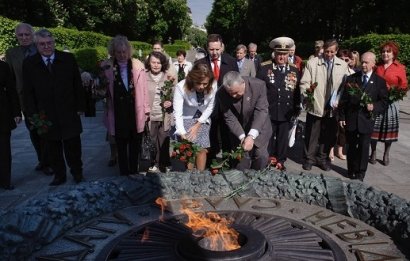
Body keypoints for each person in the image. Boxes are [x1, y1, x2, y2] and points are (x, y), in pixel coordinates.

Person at [23, 29, 86, 186]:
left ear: (54, 42)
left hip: (68, 110)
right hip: (45, 114)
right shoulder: (30, 63)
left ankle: (77, 173)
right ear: (36, 45)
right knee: (52, 147)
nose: (46, 47)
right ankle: (59, 175)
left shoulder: (68, 58)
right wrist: (32, 114)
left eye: (49, 43)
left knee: (73, 145)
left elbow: (77, 85)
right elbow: (28, 92)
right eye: (42, 44)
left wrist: (80, 106)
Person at [5, 23, 53, 175]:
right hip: (25, 100)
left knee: (45, 132)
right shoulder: (12, 53)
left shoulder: (41, 47)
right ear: (17, 36)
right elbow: (10, 80)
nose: (24, 37)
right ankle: (42, 160)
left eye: (27, 34)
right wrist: (15, 107)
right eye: (21, 35)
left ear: (32, 35)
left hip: (44, 98)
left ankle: (48, 162)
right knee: (34, 132)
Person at [99, 35, 148, 176]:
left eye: (124, 51)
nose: (121, 55)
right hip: (117, 112)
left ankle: (134, 171)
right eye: (118, 52)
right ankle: (123, 174)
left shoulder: (138, 65)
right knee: (120, 145)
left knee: (135, 144)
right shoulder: (106, 66)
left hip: (135, 111)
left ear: (128, 51)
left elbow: (144, 90)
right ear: (113, 52)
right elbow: (101, 91)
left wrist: (146, 110)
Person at [300, 39, 349, 172]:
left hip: (333, 107)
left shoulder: (343, 65)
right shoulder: (312, 63)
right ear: (323, 50)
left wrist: (341, 100)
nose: (329, 54)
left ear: (336, 51)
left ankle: (322, 158)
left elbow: (346, 85)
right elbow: (304, 82)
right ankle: (309, 159)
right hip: (316, 103)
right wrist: (307, 93)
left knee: (328, 135)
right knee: (312, 134)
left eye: (332, 52)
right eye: (326, 51)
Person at [338, 52, 388, 181]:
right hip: (352, 118)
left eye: (366, 62)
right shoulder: (352, 79)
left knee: (364, 147)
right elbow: (344, 100)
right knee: (351, 145)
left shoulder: (379, 82)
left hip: (366, 120)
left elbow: (384, 102)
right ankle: (351, 170)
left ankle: (361, 172)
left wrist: (374, 106)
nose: (363, 64)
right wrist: (342, 117)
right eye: (363, 62)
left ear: (373, 64)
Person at [257, 37, 301, 170]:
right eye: (279, 54)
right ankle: (268, 159)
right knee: (268, 136)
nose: (281, 57)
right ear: (274, 54)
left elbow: (297, 90)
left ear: (289, 54)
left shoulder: (294, 70)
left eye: (284, 54)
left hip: (286, 110)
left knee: (282, 138)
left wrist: (297, 107)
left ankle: (281, 160)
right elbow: (259, 89)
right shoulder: (265, 68)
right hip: (269, 109)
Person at [195, 34, 239, 161]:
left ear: (222, 47)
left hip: (226, 106)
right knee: (210, 134)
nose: (214, 53)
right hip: (207, 107)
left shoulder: (231, 62)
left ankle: (226, 161)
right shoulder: (199, 64)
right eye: (211, 49)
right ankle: (210, 161)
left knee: (227, 135)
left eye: (217, 49)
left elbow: (236, 82)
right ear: (207, 49)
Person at [218, 71, 272, 171]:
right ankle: (241, 180)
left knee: (260, 155)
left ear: (243, 83)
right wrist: (242, 137)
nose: (233, 96)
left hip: (259, 126)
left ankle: (258, 178)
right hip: (239, 128)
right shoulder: (221, 93)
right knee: (241, 158)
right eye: (231, 93)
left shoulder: (258, 85)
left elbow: (261, 111)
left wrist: (251, 136)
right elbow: (229, 118)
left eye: (236, 92)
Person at [370, 41, 408, 166]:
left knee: (389, 129)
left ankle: (386, 153)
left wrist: (394, 91)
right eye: (383, 51)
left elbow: (403, 85)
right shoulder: (377, 68)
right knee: (374, 127)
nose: (385, 54)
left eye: (388, 51)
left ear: (393, 54)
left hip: (392, 103)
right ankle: (373, 152)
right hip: (378, 102)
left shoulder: (400, 68)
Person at [173, 63, 217, 170]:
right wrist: (182, 132)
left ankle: (200, 176)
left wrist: (198, 124)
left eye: (205, 84)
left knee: (202, 150)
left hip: (203, 119)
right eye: (199, 83)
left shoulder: (213, 85)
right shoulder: (181, 87)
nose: (202, 87)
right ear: (192, 79)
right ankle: (189, 176)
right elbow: (177, 112)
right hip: (186, 119)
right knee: (189, 150)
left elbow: (210, 107)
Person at [145, 51, 175, 173]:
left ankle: (165, 162)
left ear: (163, 64)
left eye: (158, 63)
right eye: (153, 62)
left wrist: (171, 101)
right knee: (152, 141)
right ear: (149, 63)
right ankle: (154, 163)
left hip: (164, 115)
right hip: (150, 116)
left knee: (164, 140)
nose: (156, 65)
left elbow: (175, 94)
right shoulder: (144, 77)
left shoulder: (168, 77)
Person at [329, 49, 356, 161]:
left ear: (350, 60)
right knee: (332, 128)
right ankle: (330, 150)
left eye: (347, 59)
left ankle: (339, 150)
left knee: (343, 129)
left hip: (345, 105)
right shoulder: (333, 70)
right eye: (342, 59)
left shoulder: (353, 73)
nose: (344, 61)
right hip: (334, 103)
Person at [0, 61, 22, 190]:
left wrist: (16, 112)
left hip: (2, 114)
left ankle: (5, 180)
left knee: (3, 150)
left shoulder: (3, 66)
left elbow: (11, 89)